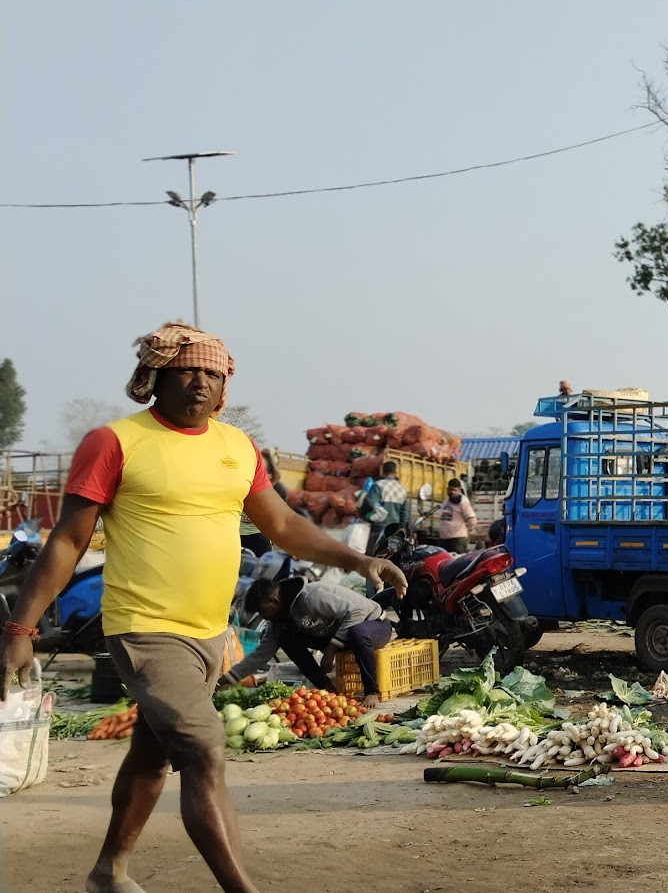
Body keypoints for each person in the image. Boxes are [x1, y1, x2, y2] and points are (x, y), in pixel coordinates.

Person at [0, 322, 406, 893]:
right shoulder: (116, 442)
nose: (201, 382)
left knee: (152, 754)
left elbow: (284, 526)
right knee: (203, 749)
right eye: (188, 370)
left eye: (214, 374)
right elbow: (66, 540)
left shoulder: (236, 448)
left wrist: (358, 562)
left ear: (225, 387)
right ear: (156, 377)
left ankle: (107, 872)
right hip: (146, 628)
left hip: (209, 634)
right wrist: (21, 625)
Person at [221, 576, 394, 709]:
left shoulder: (312, 596)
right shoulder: (278, 620)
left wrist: (331, 649)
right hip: (342, 635)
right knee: (286, 638)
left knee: (357, 632)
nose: (263, 617)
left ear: (274, 601)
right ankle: (327, 688)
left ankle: (372, 691)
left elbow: (357, 612)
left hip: (375, 625)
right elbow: (260, 655)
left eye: (262, 611)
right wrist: (226, 679)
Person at [361, 460, 410, 555]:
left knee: (373, 554)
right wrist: (402, 529)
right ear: (396, 472)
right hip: (394, 529)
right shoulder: (402, 489)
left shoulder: (378, 485)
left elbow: (371, 503)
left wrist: (365, 516)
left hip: (379, 527)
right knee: (388, 555)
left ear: (383, 471)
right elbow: (405, 514)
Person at [436, 477, 477, 553]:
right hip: (444, 539)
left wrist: (465, 530)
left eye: (455, 490)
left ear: (459, 490)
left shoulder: (463, 502)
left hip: (458, 539)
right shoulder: (446, 502)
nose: (452, 492)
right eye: (450, 490)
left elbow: (472, 520)